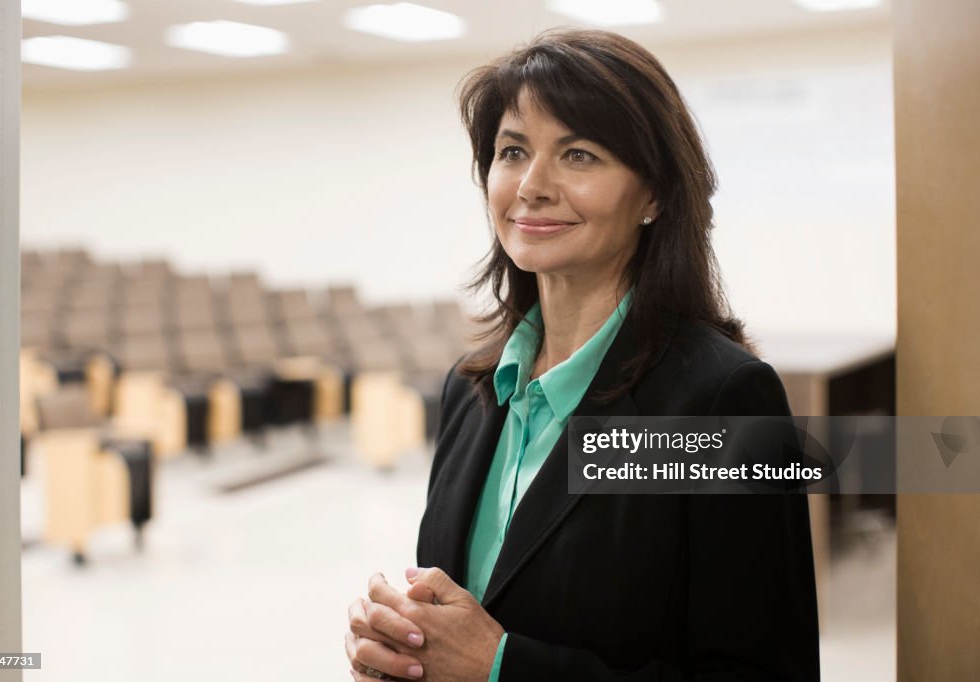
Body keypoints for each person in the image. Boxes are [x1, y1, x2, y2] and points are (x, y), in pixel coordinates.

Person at [345, 28, 819, 681]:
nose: (532, 185)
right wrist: (407, 646)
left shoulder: (716, 401)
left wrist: (504, 669)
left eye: (579, 155)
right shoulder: (475, 389)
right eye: (512, 151)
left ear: (654, 194)